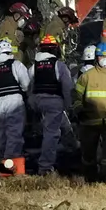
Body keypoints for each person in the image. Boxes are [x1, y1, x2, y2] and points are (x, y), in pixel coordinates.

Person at [73, 42, 106, 182]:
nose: (104, 60)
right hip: (90, 121)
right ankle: (90, 179)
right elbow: (76, 96)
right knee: (88, 153)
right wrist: (79, 111)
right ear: (96, 58)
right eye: (102, 57)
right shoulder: (86, 76)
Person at [29, 34, 74, 175]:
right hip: (54, 102)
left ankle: (73, 148)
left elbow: (29, 87)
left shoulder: (33, 66)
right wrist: (70, 106)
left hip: (37, 102)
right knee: (52, 133)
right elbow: (67, 87)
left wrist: (31, 104)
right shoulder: (58, 65)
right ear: (56, 49)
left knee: (64, 126)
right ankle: (45, 166)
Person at [0, 39, 30, 164]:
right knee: (14, 132)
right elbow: (26, 85)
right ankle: (11, 161)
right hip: (15, 101)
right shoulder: (16, 65)